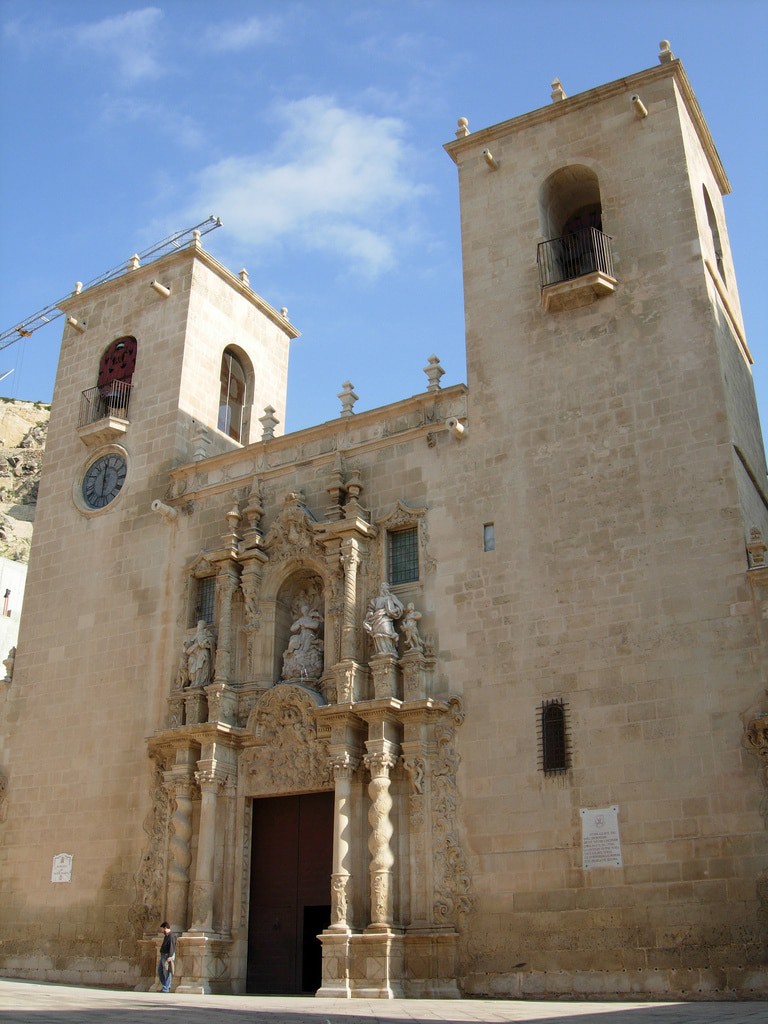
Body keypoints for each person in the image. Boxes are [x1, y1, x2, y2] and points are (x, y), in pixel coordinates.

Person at [363, 582, 404, 656]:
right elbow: (371, 609)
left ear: (387, 589)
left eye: (384, 587)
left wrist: (393, 611)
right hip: (376, 618)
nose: (382, 589)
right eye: (381, 587)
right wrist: (370, 613)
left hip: (385, 618)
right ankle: (380, 651)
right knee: (377, 634)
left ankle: (389, 650)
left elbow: (401, 607)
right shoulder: (375, 600)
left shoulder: (391, 597)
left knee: (386, 632)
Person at [158, 921, 176, 993]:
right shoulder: (167, 936)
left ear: (165, 928)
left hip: (167, 955)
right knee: (160, 971)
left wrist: (170, 956)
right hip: (163, 955)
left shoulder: (171, 936)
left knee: (168, 972)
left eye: (162, 929)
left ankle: (166, 988)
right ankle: (165, 985)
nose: (161, 931)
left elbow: (172, 947)